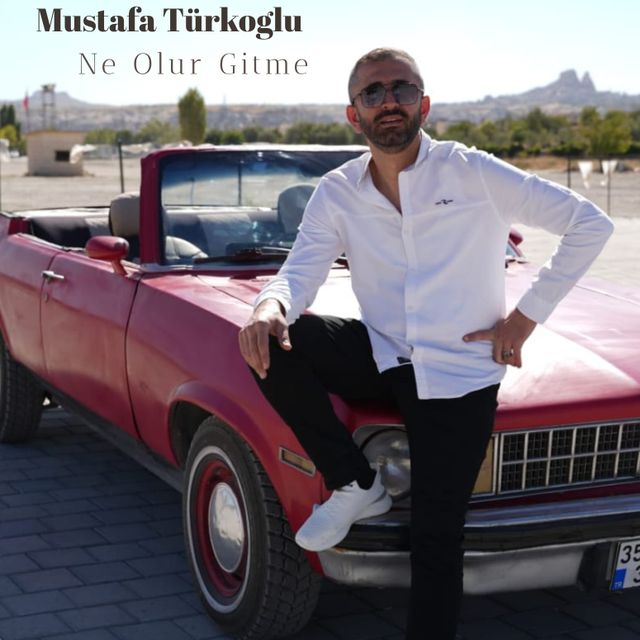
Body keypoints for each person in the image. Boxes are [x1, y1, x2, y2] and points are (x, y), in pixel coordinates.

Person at [238, 48, 614, 640]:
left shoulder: (473, 172)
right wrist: (269, 307)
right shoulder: (337, 191)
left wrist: (523, 320)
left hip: (461, 373)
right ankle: (356, 483)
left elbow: (590, 223)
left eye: (402, 89)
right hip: (385, 355)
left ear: (424, 104)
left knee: (436, 537)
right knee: (274, 341)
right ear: (354, 115)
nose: (389, 101)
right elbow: (299, 271)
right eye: (373, 92)